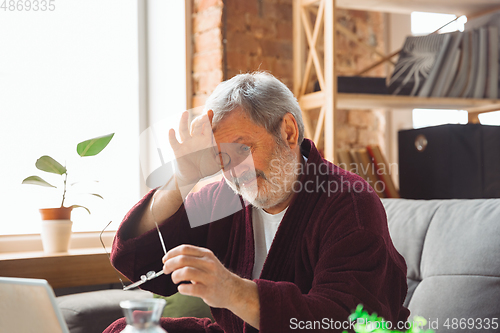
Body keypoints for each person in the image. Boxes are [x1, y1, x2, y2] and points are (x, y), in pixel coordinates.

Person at [104, 72, 409, 333]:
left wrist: (233, 290)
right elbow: (136, 260)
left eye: (242, 148)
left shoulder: (349, 202)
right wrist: (183, 179)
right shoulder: (223, 199)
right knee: (130, 329)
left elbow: (345, 321)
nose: (235, 170)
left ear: (288, 132)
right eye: (222, 157)